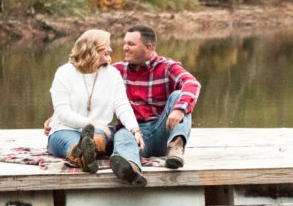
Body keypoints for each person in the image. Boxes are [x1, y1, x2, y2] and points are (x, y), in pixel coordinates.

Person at [47, 29, 146, 185]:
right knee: (70, 141)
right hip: (64, 129)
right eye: (105, 46)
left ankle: (87, 153)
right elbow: (63, 112)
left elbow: (122, 105)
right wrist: (90, 123)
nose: (110, 49)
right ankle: (83, 155)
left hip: (100, 131)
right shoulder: (64, 73)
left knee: (98, 135)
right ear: (92, 49)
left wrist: (134, 129)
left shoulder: (112, 74)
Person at [108, 24, 201, 182]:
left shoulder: (166, 67)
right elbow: (89, 90)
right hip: (133, 136)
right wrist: (58, 117)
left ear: (148, 47)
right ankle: (131, 169)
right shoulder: (115, 70)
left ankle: (176, 150)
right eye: (124, 43)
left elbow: (193, 84)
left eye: (131, 44)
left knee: (179, 95)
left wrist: (179, 109)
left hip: (162, 133)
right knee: (122, 134)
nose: (125, 48)